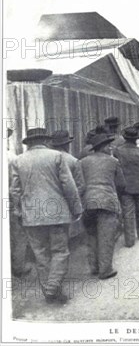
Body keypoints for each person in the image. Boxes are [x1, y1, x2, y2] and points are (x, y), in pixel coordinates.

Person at [11, 128, 82, 304]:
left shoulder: (19, 161)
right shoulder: (56, 157)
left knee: (41, 255)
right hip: (57, 213)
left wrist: (18, 211)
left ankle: (50, 290)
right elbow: (69, 185)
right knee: (60, 252)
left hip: (31, 215)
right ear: (46, 140)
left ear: (29, 143)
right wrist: (76, 208)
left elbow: (14, 191)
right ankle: (52, 288)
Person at [80, 132, 126, 279]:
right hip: (107, 201)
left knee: (92, 235)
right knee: (106, 236)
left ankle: (94, 266)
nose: (111, 147)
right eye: (109, 145)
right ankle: (105, 269)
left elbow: (79, 183)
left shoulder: (83, 162)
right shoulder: (113, 161)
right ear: (104, 147)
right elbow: (121, 184)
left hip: (88, 202)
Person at [115, 127, 139, 248]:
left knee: (128, 213)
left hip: (125, 187)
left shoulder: (117, 151)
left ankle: (129, 240)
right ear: (136, 139)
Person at [7, 128, 32, 277]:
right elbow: (16, 186)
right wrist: (18, 206)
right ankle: (18, 267)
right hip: (9, 201)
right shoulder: (11, 158)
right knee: (18, 235)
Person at [50, 130, 85, 200]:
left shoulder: (48, 160)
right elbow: (81, 186)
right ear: (66, 145)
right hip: (68, 203)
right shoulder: (73, 161)